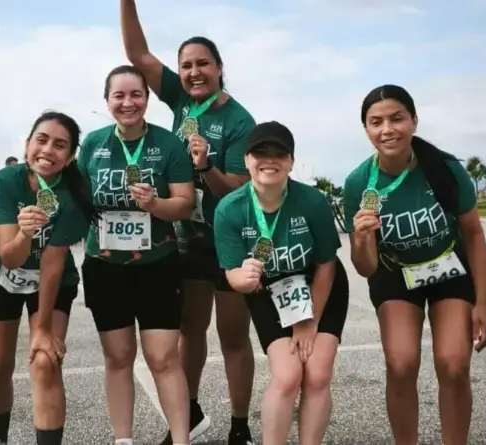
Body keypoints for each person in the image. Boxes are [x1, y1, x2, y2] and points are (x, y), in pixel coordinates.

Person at [119, 2, 256, 443]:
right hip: (189, 238)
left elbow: (237, 189)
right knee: (189, 330)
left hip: (230, 241)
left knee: (232, 336)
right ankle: (190, 414)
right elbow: (139, 56)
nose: (194, 72)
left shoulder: (239, 120)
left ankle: (239, 425)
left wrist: (206, 165)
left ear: (219, 68)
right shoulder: (180, 99)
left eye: (203, 64)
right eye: (186, 66)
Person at [343, 84, 486, 445]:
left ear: (413, 120)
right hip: (394, 272)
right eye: (376, 122)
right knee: (401, 363)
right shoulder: (358, 184)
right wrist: (361, 238)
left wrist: (483, 303)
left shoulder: (445, 168)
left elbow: (474, 233)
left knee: (454, 364)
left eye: (397, 118)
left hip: (448, 267)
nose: (387, 129)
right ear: (366, 130)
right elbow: (366, 268)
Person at [77, 65, 195, 445]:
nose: (128, 103)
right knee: (118, 357)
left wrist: (155, 205)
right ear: (107, 100)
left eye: (136, 95)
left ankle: (181, 440)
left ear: (146, 98)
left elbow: (184, 204)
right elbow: (79, 201)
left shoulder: (168, 144)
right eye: (119, 95)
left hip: (157, 265)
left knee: (164, 358)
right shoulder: (92, 144)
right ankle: (123, 440)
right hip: (105, 266)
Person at [214, 122, 349, 444]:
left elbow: (326, 263)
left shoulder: (312, 201)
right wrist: (242, 279)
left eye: (279, 153)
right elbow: (232, 273)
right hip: (268, 290)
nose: (269, 160)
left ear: (291, 161)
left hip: (319, 283)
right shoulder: (230, 209)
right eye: (260, 152)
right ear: (246, 159)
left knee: (317, 374)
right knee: (287, 376)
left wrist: (308, 321)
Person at [0, 112, 96, 445]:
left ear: (70, 156)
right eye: (41, 140)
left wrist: (42, 329)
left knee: (45, 361)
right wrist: (25, 234)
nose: (47, 150)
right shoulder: (5, 181)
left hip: (51, 279)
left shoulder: (74, 193)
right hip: (2, 275)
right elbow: (9, 256)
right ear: (27, 144)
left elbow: (53, 263)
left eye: (60, 145)